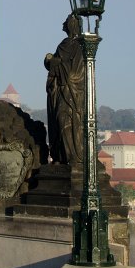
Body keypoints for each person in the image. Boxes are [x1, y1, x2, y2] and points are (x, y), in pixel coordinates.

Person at [45, 14, 85, 165]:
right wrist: (50, 62)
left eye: (66, 21)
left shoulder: (80, 46)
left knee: (65, 121)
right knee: (59, 121)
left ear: (72, 25)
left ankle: (72, 157)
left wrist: (54, 62)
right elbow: (56, 67)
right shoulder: (64, 44)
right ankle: (61, 156)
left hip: (71, 92)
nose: (63, 23)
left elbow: (75, 73)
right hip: (61, 91)